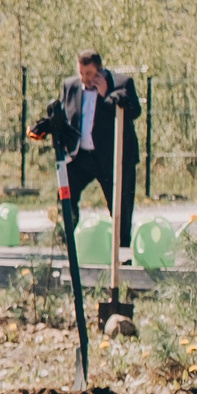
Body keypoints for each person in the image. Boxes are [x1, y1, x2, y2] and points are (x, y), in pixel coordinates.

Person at [59, 51, 140, 249]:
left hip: (113, 157)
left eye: (89, 73)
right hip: (81, 155)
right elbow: (63, 114)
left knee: (120, 205)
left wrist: (106, 95)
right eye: (81, 73)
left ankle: (121, 250)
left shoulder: (121, 84)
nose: (85, 78)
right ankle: (69, 240)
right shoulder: (70, 86)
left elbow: (134, 111)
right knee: (65, 192)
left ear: (100, 70)